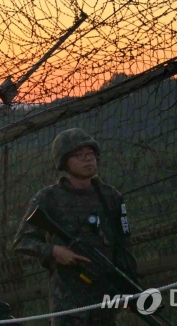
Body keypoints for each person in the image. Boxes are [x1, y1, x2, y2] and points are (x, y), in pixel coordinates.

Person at [13, 128, 137, 325]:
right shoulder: (48, 198)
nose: (88, 160)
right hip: (67, 303)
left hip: (104, 298)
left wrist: (128, 286)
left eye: (90, 154)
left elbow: (124, 244)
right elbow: (22, 241)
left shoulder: (110, 197)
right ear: (64, 161)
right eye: (79, 156)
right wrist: (54, 251)